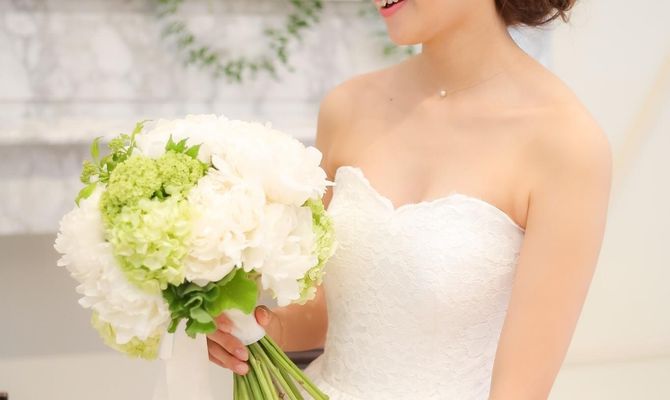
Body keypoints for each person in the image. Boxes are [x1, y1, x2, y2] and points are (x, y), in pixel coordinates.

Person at [207, 0, 613, 398]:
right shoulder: (346, 107)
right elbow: (326, 313)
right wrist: (248, 329)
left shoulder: (565, 143)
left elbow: (519, 391)